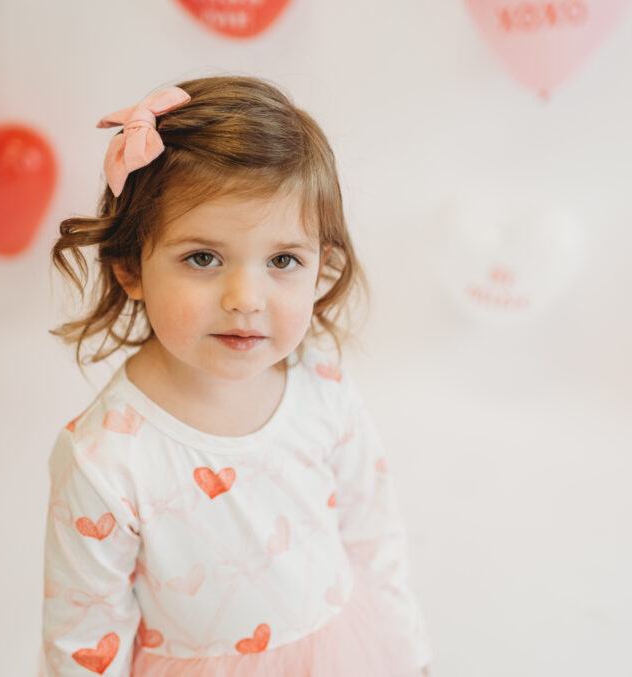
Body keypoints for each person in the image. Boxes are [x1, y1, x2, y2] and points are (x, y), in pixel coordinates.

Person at [40, 75, 432, 677]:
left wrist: (409, 657)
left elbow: (374, 537)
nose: (245, 298)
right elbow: (85, 635)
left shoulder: (321, 385)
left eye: (282, 260)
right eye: (203, 258)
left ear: (321, 265)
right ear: (130, 268)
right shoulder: (105, 458)